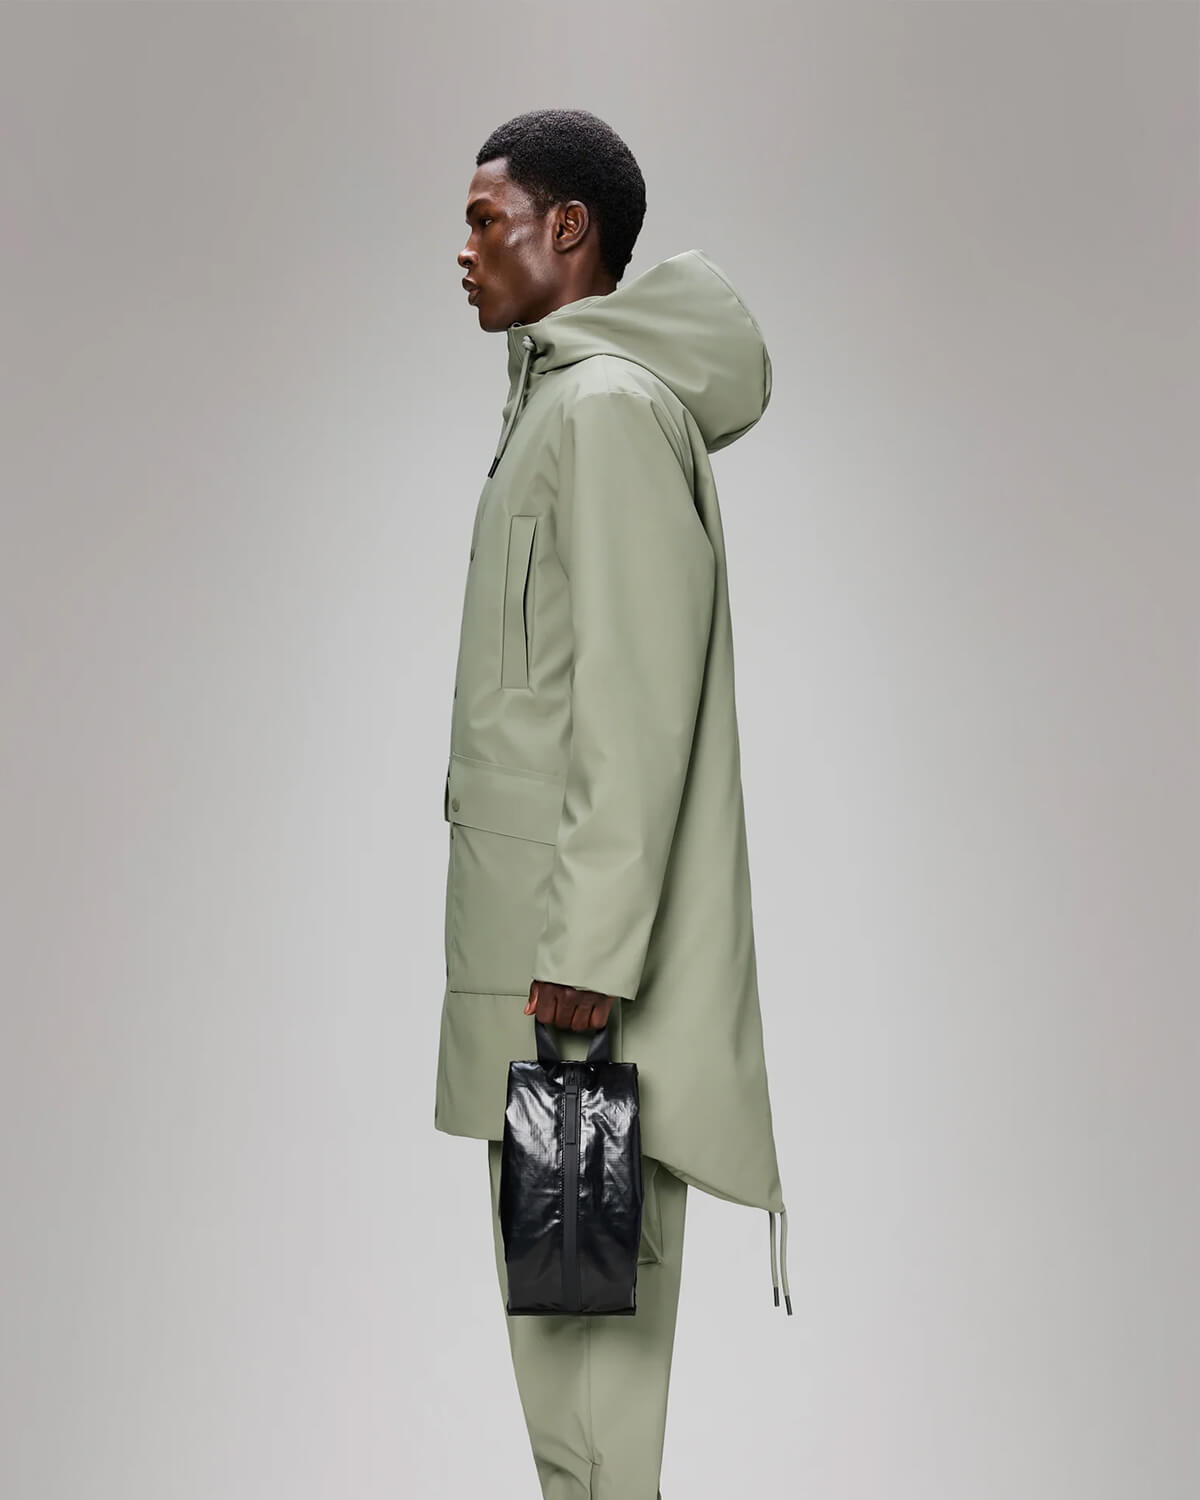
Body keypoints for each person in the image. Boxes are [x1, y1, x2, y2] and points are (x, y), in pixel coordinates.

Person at [435, 107, 791, 1500]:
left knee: (593, 1414)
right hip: (545, 983)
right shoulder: (556, 407)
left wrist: (583, 960)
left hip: (581, 997)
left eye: (487, 220)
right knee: (569, 1403)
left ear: (567, 227)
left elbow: (637, 708)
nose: (464, 251)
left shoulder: (601, 413)